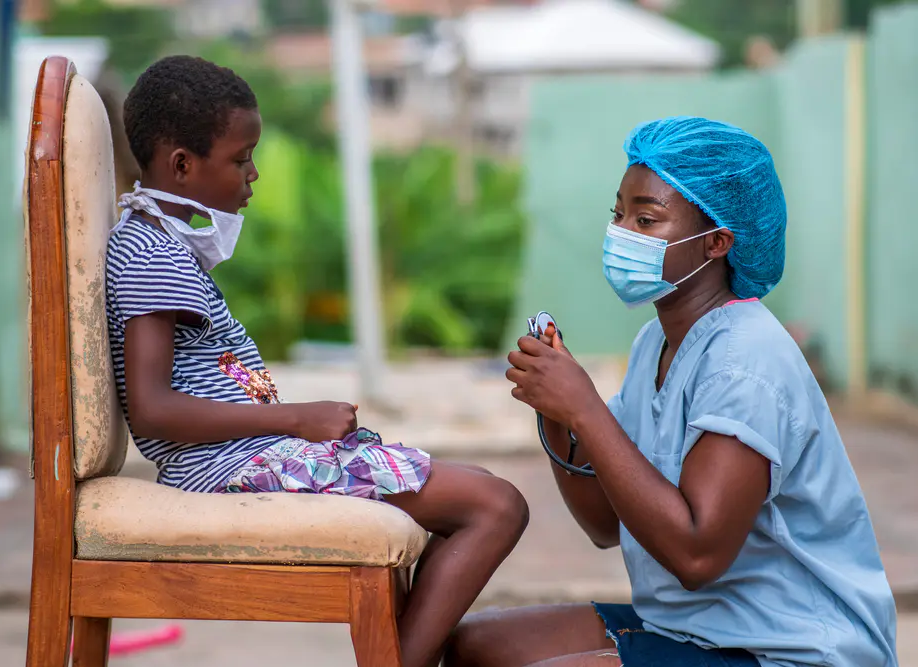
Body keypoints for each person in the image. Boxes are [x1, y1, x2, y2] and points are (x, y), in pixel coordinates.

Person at [105, 55, 529, 667]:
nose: (252, 174)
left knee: (486, 491)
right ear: (181, 165)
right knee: (496, 506)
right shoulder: (152, 254)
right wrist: (296, 419)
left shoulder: (164, 244)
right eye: (240, 157)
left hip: (245, 456)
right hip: (229, 469)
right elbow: (152, 410)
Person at [446, 117, 899, 667]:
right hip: (692, 627)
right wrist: (557, 417)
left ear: (716, 242)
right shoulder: (655, 342)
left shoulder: (745, 362)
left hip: (787, 648)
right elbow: (604, 525)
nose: (621, 233)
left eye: (646, 219)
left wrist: (586, 409)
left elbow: (696, 555)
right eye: (618, 214)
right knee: (472, 645)